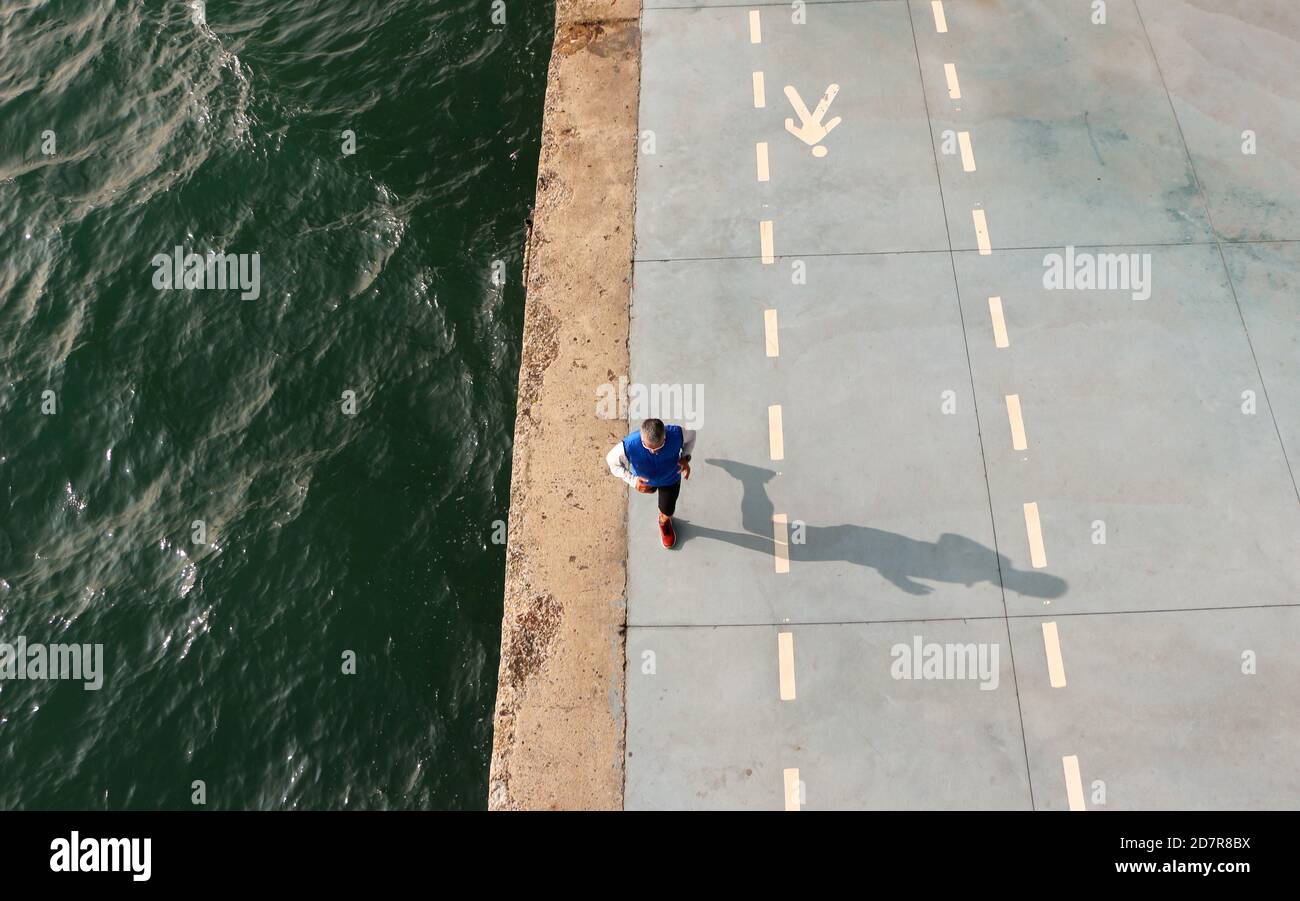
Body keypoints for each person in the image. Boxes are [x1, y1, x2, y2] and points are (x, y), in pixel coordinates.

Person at [606, 418, 696, 549]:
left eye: (658, 447)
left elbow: (692, 436)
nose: (653, 451)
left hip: (670, 479)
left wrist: (686, 457)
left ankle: (664, 521)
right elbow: (611, 462)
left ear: (665, 437)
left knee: (668, 511)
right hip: (646, 482)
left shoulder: (677, 434)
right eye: (647, 447)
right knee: (652, 490)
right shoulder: (630, 444)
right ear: (641, 437)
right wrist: (633, 480)